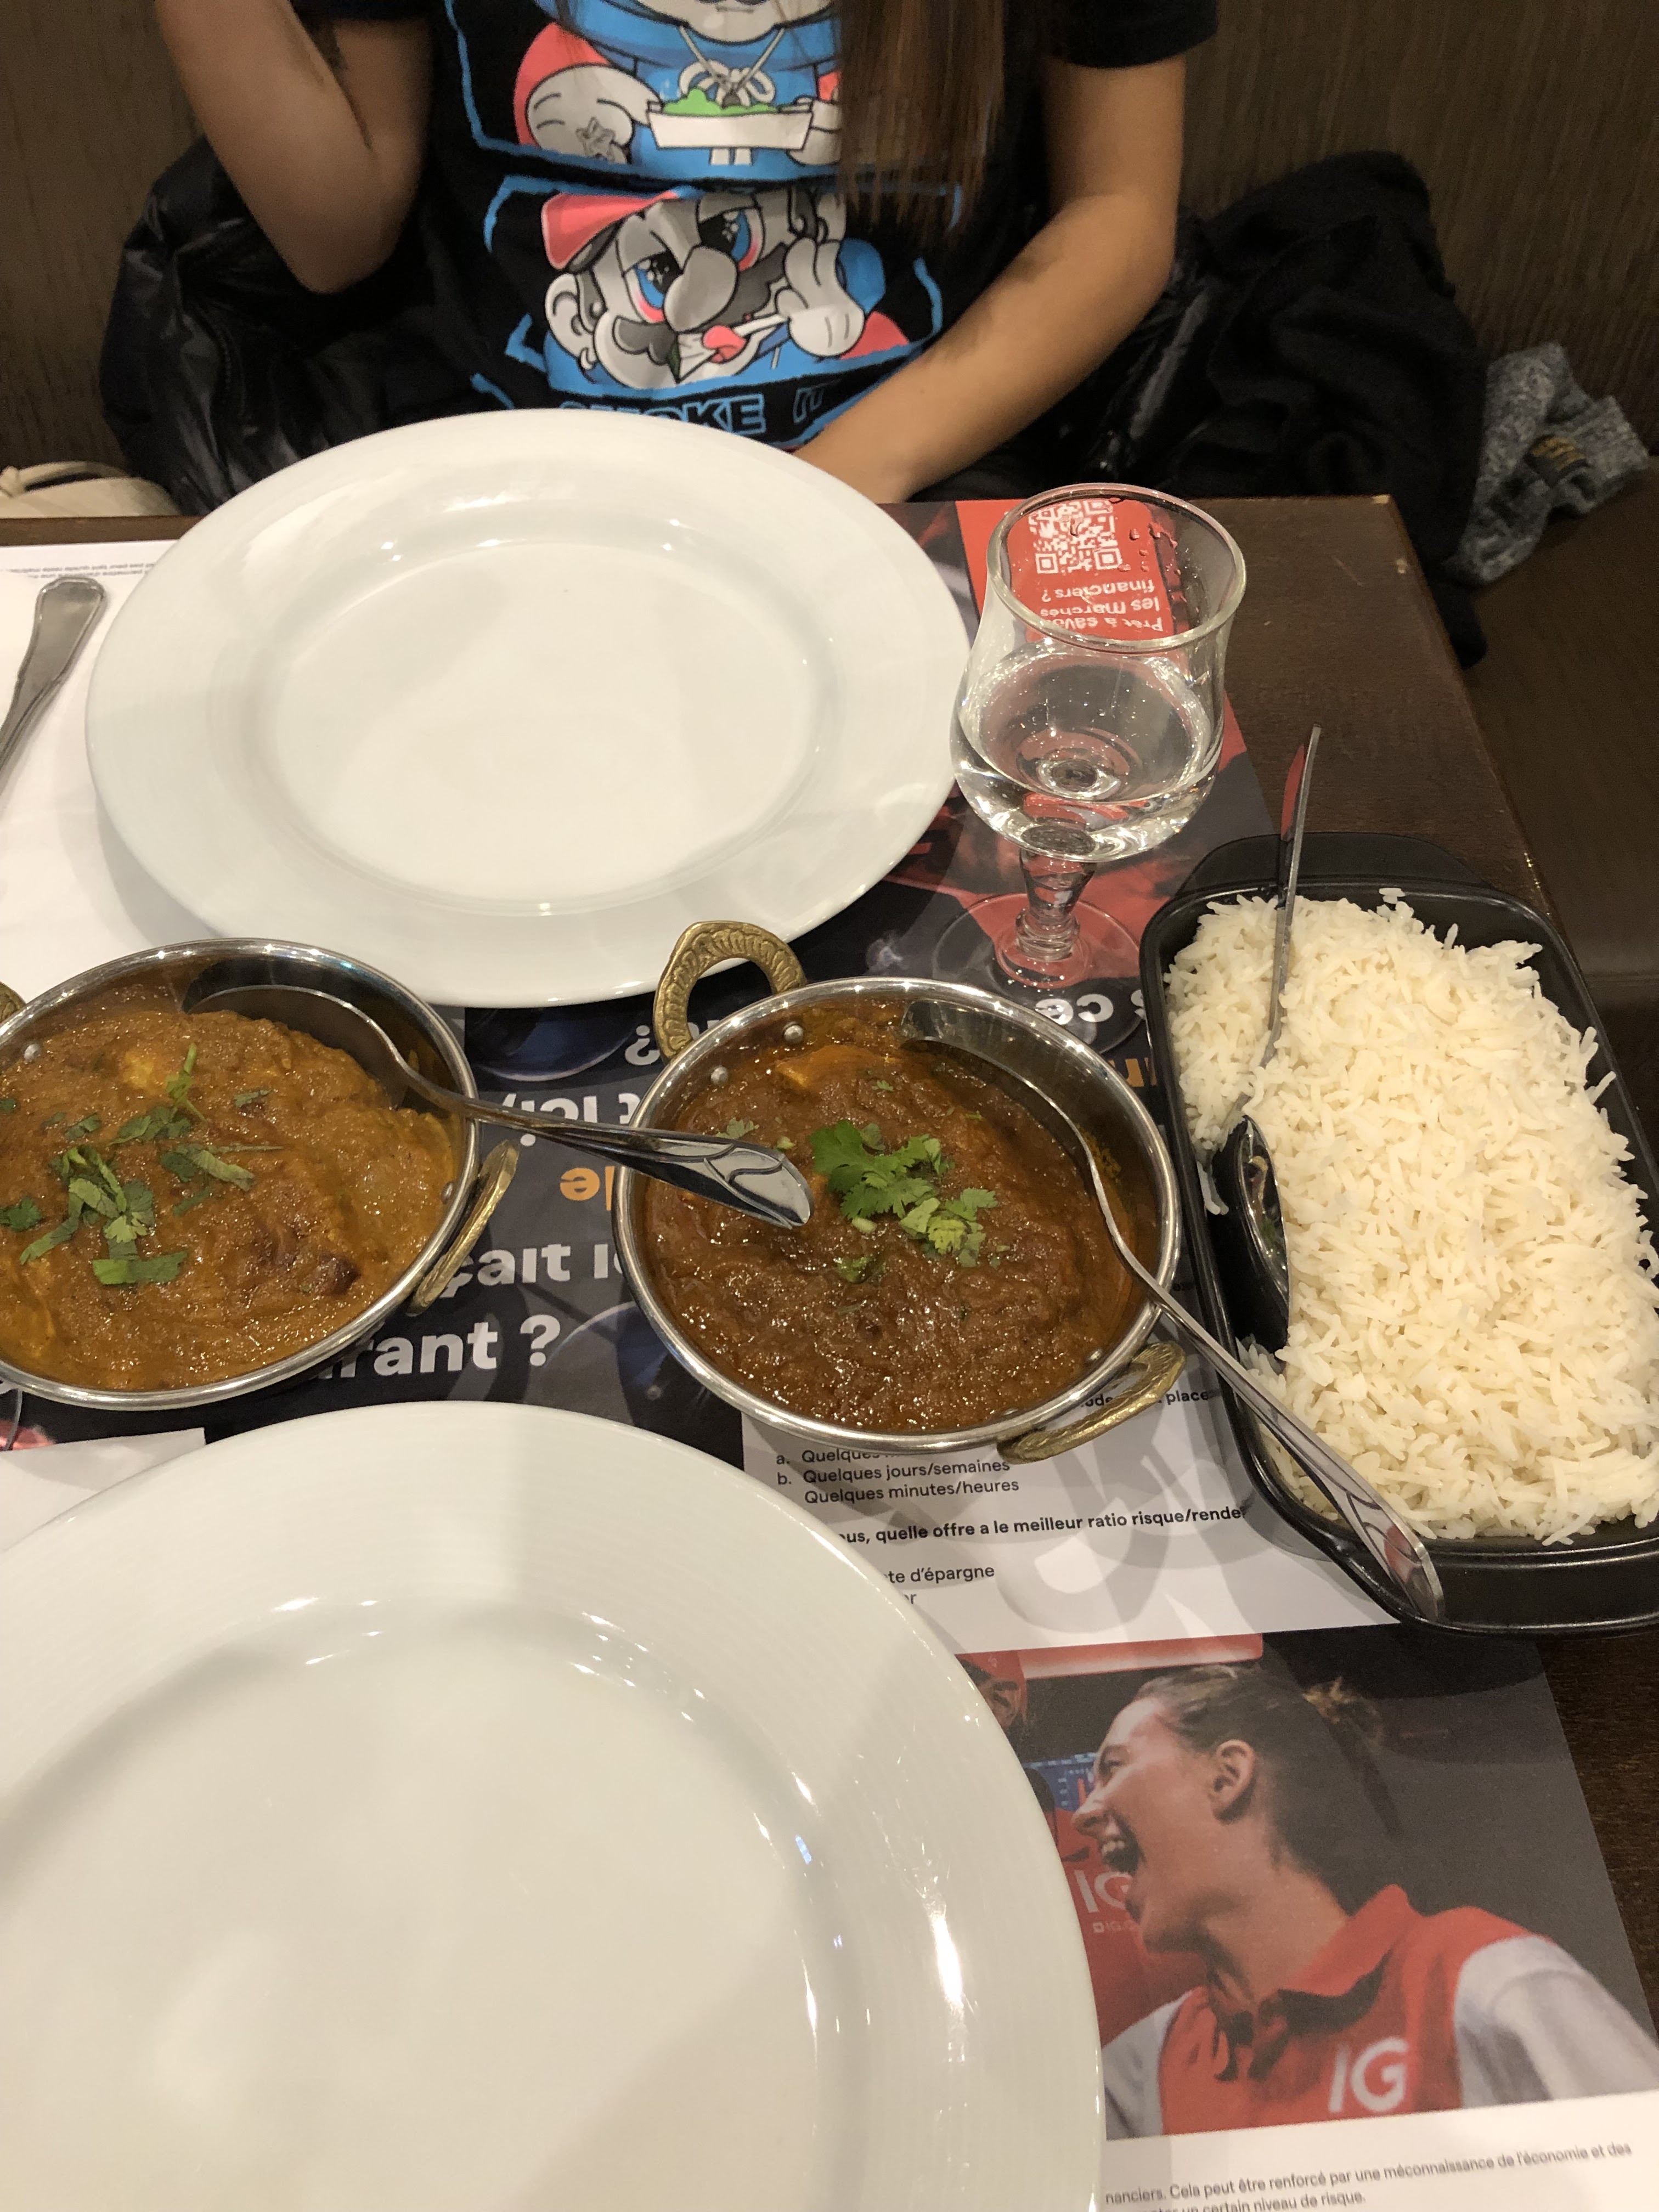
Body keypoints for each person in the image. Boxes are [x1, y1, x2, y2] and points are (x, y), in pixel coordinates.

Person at [147, 0, 1216, 500]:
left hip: (906, 469)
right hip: (504, 477)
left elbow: (1117, 214)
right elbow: (337, 242)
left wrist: (829, 486)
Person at [1072, 1663, 1659, 2137]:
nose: (1084, 1813)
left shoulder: (1483, 1980)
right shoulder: (1137, 2071)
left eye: (1113, 1768)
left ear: (1227, 1777)